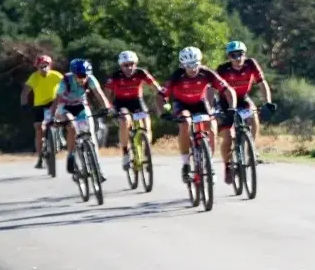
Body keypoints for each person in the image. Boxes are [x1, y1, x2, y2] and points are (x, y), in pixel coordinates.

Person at [157, 46, 237, 183]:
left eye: (195, 64)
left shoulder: (206, 73)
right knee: (185, 123)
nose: (193, 68)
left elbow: (228, 90)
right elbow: (160, 95)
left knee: (212, 124)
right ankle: (186, 164)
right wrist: (162, 113)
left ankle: (209, 163)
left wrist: (232, 108)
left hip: (200, 102)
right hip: (182, 104)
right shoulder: (177, 75)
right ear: (182, 65)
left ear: (200, 62)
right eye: (188, 65)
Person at [215, 41, 277, 183]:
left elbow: (262, 83)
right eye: (233, 55)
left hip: (243, 99)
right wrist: (213, 107)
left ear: (245, 55)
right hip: (226, 103)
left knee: (254, 116)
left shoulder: (251, 64)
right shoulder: (223, 69)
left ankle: (251, 149)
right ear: (228, 57)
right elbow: (212, 89)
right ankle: (228, 166)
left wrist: (267, 102)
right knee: (227, 137)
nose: (237, 58)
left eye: (240, 54)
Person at [47, 58, 114, 180]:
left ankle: (98, 169)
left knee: (92, 137)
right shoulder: (65, 81)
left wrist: (107, 108)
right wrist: (51, 117)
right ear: (73, 74)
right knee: (72, 126)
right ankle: (71, 156)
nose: (83, 79)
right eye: (80, 76)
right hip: (65, 107)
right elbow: (56, 101)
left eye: (85, 76)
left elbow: (100, 94)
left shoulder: (91, 79)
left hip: (81, 105)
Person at [104, 50, 163, 170]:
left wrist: (163, 97)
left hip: (137, 101)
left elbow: (155, 87)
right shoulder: (115, 76)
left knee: (146, 125)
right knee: (125, 120)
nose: (129, 67)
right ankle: (125, 152)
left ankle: (147, 152)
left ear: (135, 64)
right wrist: (109, 107)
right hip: (121, 102)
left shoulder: (141, 73)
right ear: (121, 66)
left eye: (132, 64)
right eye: (126, 65)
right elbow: (108, 93)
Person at [20, 54, 63, 169]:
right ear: (37, 67)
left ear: (50, 66)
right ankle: (40, 157)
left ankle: (59, 137)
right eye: (41, 67)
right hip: (39, 105)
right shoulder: (34, 77)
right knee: (39, 128)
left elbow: (67, 86)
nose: (43, 69)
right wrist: (24, 104)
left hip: (53, 102)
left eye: (45, 66)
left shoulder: (56, 76)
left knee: (59, 118)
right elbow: (25, 92)